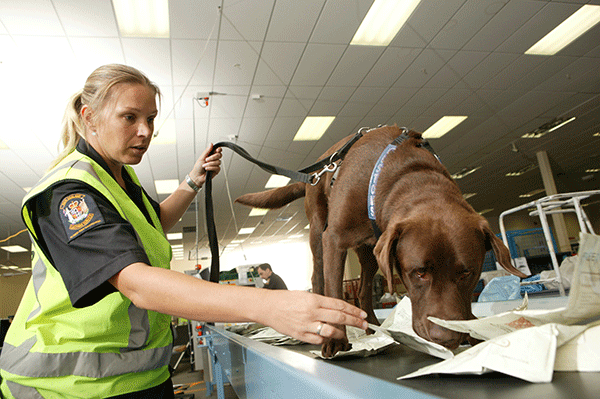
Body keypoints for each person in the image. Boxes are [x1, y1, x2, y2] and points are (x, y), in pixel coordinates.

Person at [0, 64, 367, 399]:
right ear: (89, 117)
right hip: (66, 387)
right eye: (130, 117)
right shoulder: (69, 191)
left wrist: (193, 181)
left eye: (150, 118)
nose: (145, 131)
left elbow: (152, 222)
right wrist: (268, 306)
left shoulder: (120, 177)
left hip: (138, 377)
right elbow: (135, 282)